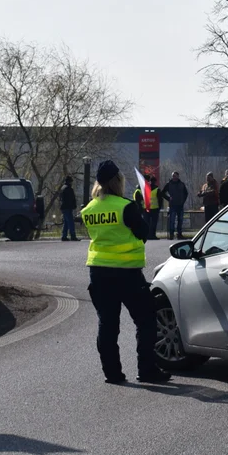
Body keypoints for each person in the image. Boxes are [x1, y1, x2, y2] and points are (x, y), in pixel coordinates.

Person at [80, 160, 170, 385]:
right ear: (117, 181)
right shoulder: (125, 206)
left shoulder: (88, 209)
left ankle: (113, 374)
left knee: (108, 325)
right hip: (127, 274)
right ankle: (147, 370)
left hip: (99, 273)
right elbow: (143, 232)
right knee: (146, 320)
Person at [162, 171, 188, 240]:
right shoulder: (169, 184)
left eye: (175, 176)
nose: (174, 177)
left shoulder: (182, 184)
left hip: (180, 205)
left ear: (178, 176)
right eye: (173, 176)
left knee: (180, 220)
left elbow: (186, 193)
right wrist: (168, 198)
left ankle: (179, 234)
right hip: (172, 205)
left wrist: (183, 201)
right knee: (172, 220)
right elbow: (162, 193)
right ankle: (171, 234)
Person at [60, 175, 79, 241]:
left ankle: (64, 236)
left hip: (63, 207)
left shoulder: (63, 188)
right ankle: (73, 235)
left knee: (66, 222)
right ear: (70, 181)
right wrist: (74, 205)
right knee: (70, 222)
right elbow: (71, 199)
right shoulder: (69, 189)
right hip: (68, 207)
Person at [147, 175, 162, 239]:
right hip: (155, 208)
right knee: (154, 223)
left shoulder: (146, 188)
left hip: (147, 208)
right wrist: (159, 207)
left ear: (150, 181)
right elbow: (160, 200)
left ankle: (148, 235)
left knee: (147, 223)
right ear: (155, 181)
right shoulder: (157, 189)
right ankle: (153, 235)